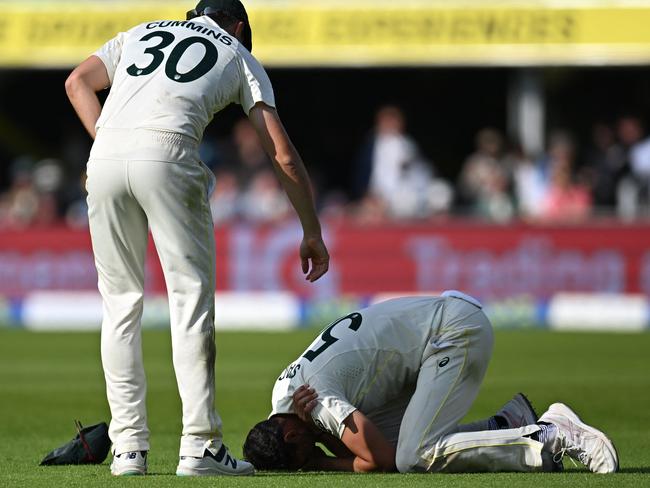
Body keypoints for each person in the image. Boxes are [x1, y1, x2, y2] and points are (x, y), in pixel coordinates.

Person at [65, 0, 329, 477]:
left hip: (103, 158)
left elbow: (77, 82)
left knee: (120, 303)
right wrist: (311, 229)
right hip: (167, 154)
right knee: (188, 302)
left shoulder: (140, 31)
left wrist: (105, 140)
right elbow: (283, 157)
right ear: (242, 26)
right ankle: (200, 447)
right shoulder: (239, 53)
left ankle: (128, 451)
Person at [243, 292, 618, 474]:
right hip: (436, 332)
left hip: (452, 333)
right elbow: (359, 448)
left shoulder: (318, 402)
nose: (306, 461)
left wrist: (318, 465)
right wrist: (325, 446)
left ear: (291, 435)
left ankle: (550, 436)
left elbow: (380, 462)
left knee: (413, 456)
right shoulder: (285, 394)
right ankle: (506, 425)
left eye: (300, 457)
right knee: (399, 444)